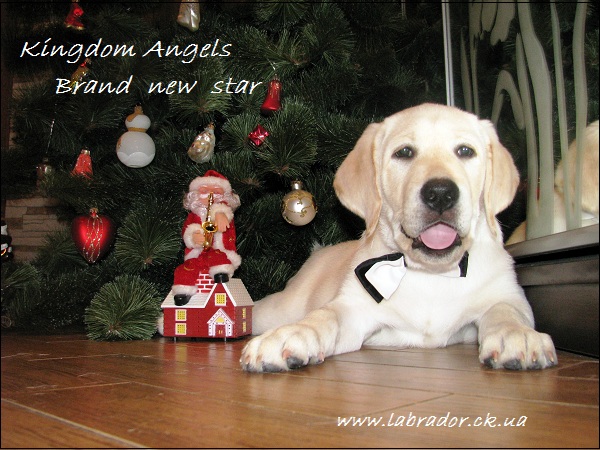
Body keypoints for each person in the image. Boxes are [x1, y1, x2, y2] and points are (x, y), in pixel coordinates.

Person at [172, 170, 241, 305]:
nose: (210, 194)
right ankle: (183, 292)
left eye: (216, 191)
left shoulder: (222, 211)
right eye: (204, 191)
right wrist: (194, 236)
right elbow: (187, 230)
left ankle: (221, 273)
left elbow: (224, 211)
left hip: (217, 252)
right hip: (197, 255)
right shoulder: (194, 216)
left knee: (218, 257)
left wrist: (220, 213)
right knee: (185, 269)